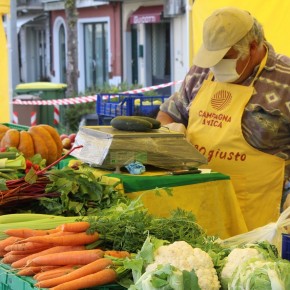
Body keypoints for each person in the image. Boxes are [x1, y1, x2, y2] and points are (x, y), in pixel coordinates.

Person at [156, 6, 290, 231]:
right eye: (212, 58)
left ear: (253, 47)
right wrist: (169, 131)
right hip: (200, 207)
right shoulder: (200, 72)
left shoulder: (286, 80)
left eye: (225, 58)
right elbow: (167, 114)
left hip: (261, 217)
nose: (216, 66)